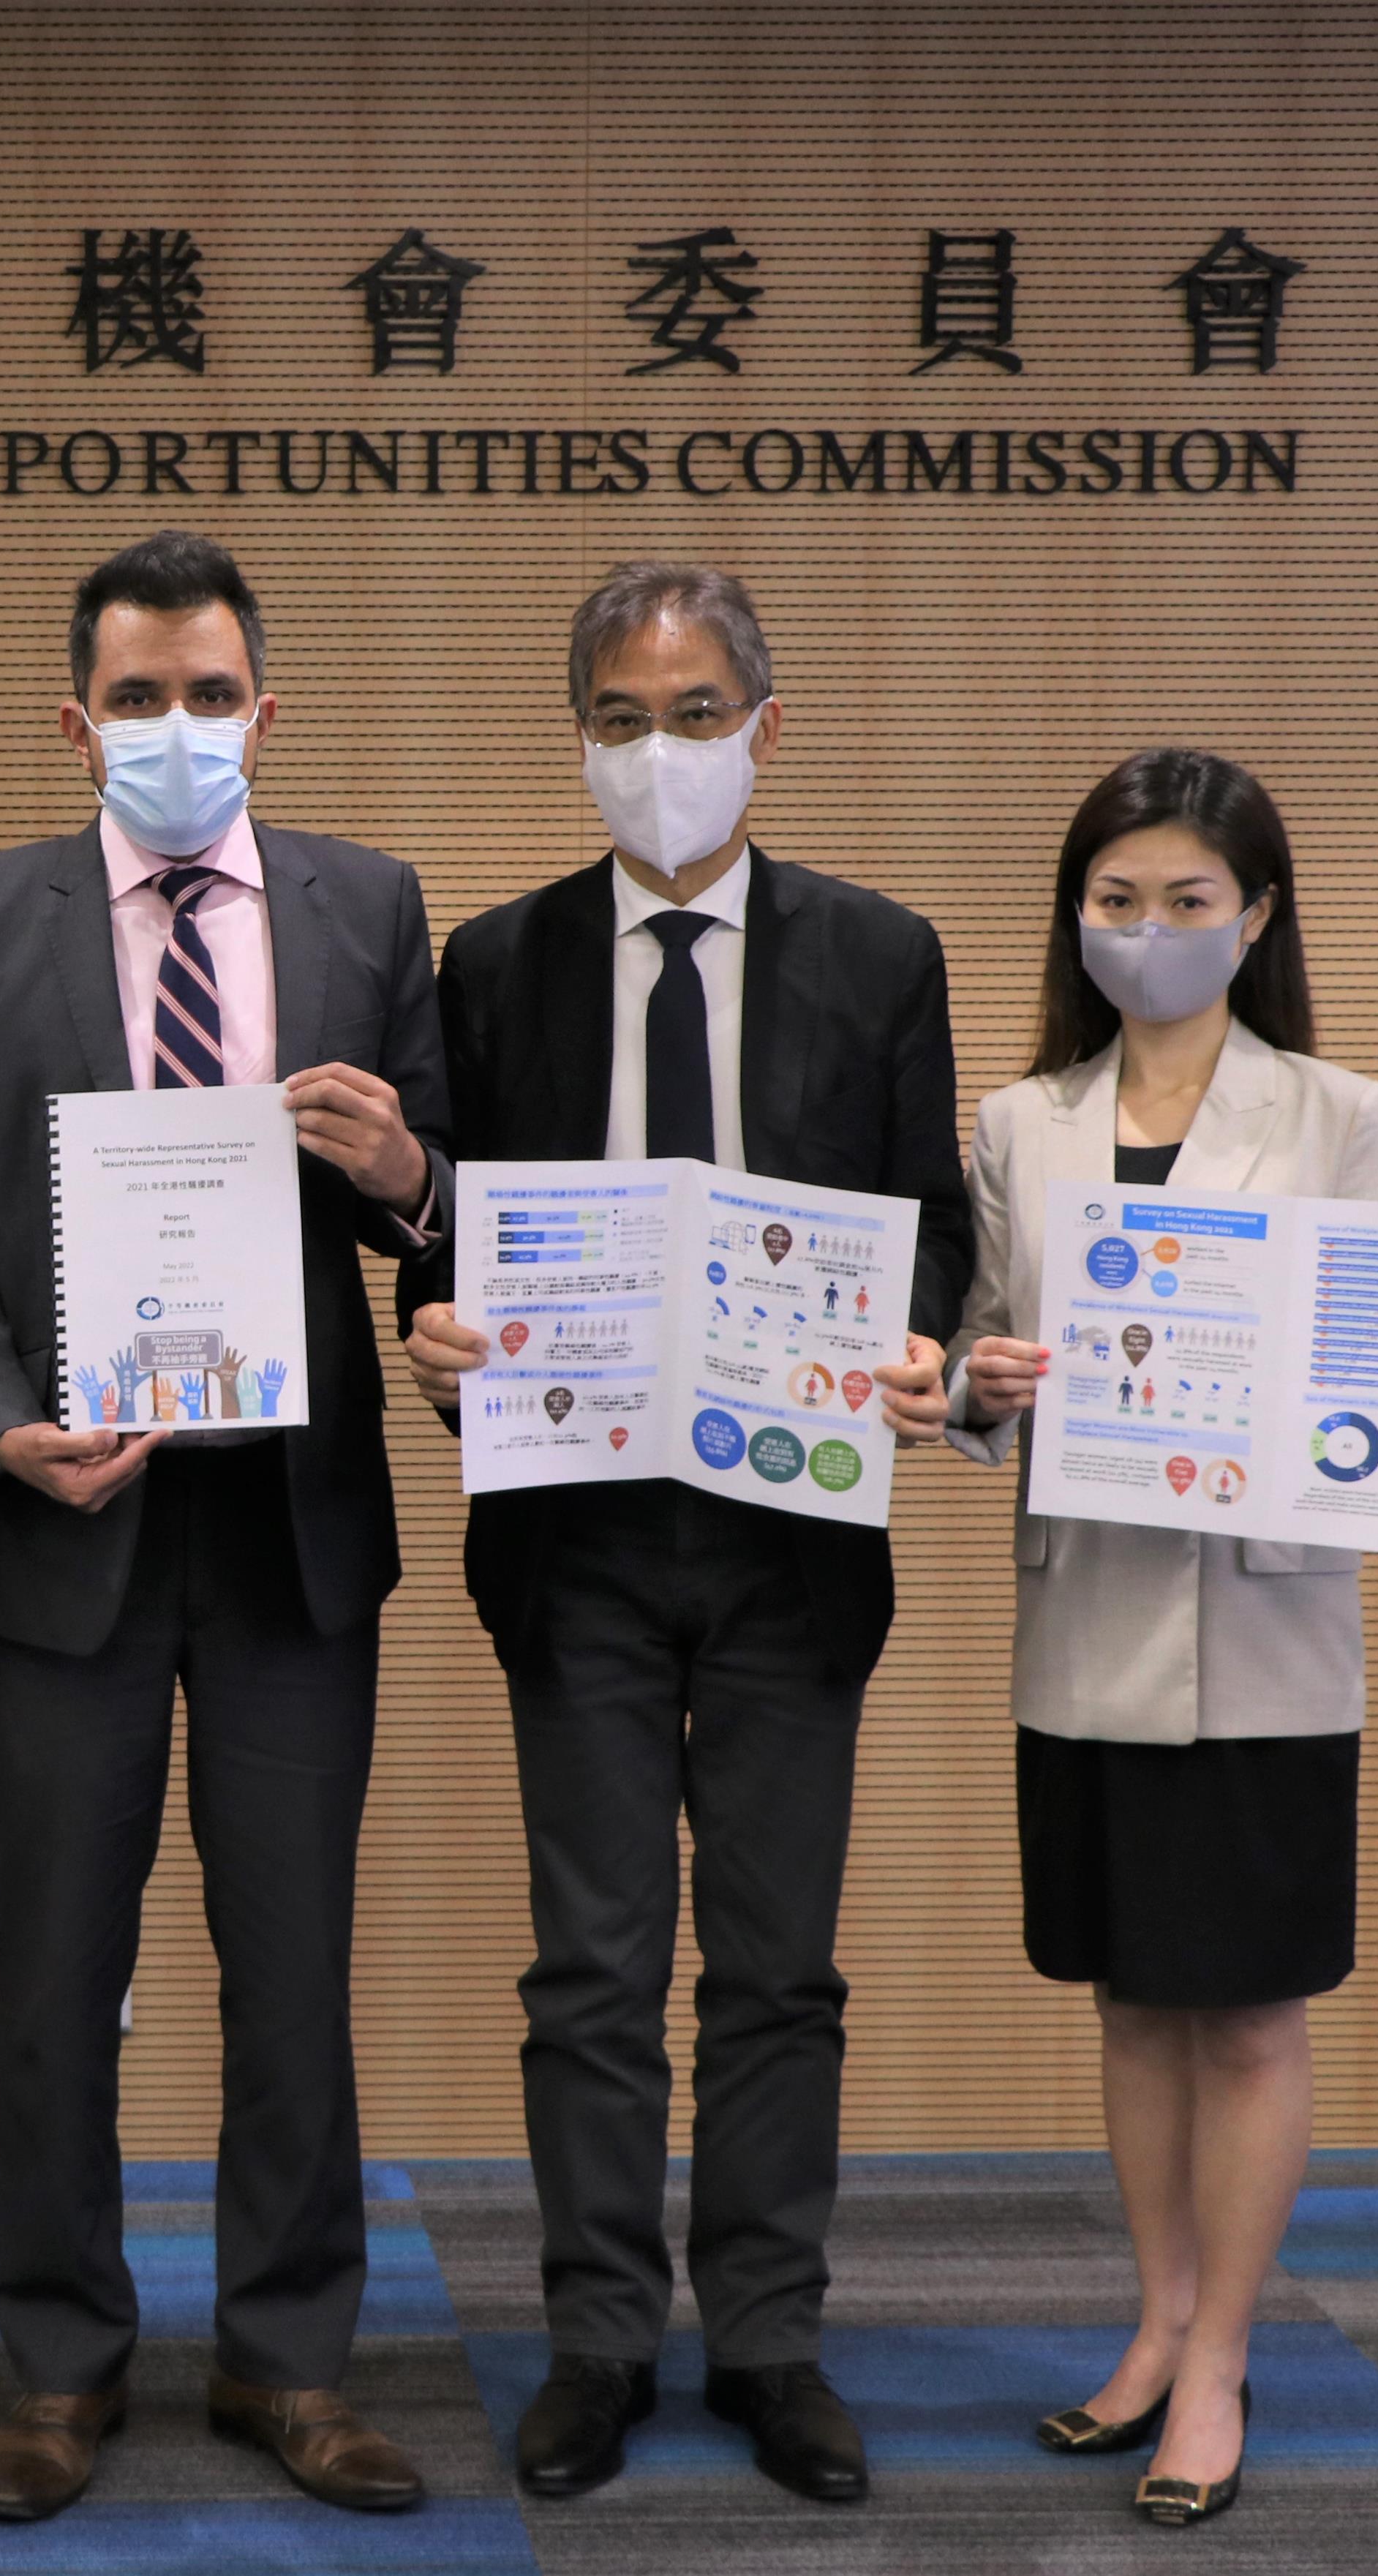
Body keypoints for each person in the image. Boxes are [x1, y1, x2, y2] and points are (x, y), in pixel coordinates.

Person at [0, 530, 451, 2525]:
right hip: (64, 1522)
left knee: (292, 1964)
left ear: (267, 713)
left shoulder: (372, 906)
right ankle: (60, 2365)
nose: (176, 728)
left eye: (211, 695)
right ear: (77, 718)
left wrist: (411, 1172)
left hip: (292, 1530)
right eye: (139, 696)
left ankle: (291, 2359)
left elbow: (439, 1218)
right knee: (58, 1966)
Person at [944, 748, 1378, 2528]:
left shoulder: (1333, 1112)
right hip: (1088, 1619)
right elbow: (985, 1374)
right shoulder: (1019, 1121)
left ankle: (1220, 2356)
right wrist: (980, 1396)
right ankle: (1150, 2325)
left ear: (1257, 917)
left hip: (1264, 1627)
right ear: (1076, 917)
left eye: (1187, 900)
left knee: (1247, 2017)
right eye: (1115, 899)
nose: (1146, 931)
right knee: (1134, 2005)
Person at [398, 565, 975, 2508]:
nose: (666, 753)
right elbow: (450, 1242)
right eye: (628, 718)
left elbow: (939, 1234)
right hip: (575, 1537)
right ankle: (590, 2336)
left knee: (778, 1963)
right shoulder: (493, 963)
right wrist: (437, 1337)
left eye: (701, 711)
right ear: (581, 737)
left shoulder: (883, 956)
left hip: (794, 1540)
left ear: (768, 728)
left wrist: (924, 1343)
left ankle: (769, 2335)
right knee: (590, 1963)